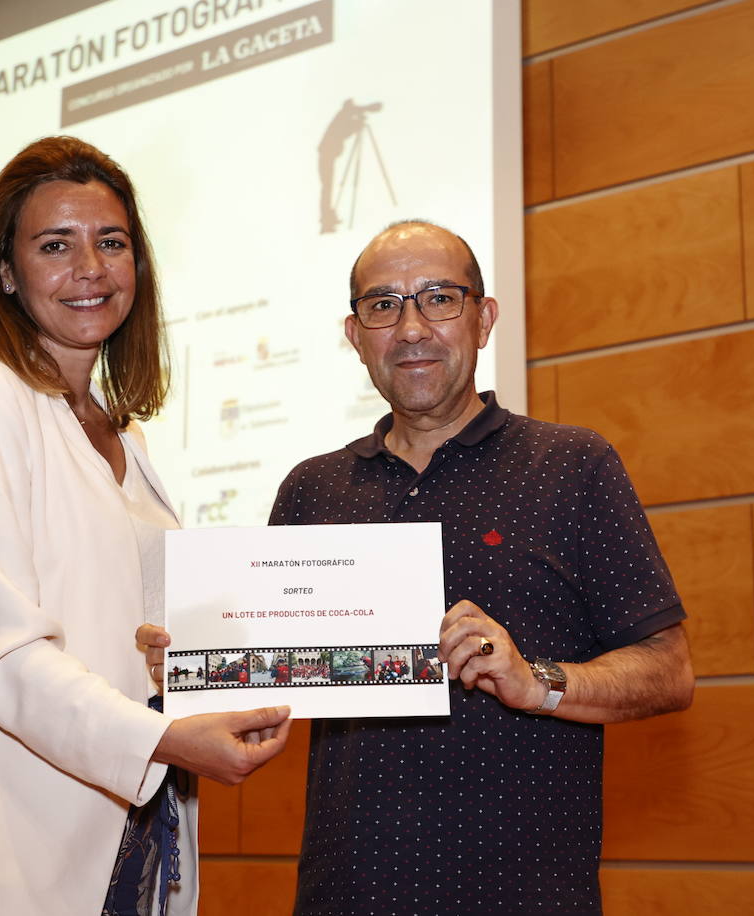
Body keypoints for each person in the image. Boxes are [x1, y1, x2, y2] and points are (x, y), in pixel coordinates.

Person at [142, 221, 694, 913]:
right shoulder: (313, 489)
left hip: (525, 896)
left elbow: (669, 669)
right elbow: (267, 695)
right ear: (355, 336)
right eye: (383, 305)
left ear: (484, 319)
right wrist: (194, 670)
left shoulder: (571, 467)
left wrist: (538, 683)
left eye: (439, 298)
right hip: (344, 895)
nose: (410, 328)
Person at [0, 136, 291, 916]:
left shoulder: (127, 437)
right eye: (55, 245)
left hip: (132, 831)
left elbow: (141, 640)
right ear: (6, 272)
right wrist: (162, 740)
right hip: (2, 845)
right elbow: (1, 651)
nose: (90, 268)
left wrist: (230, 671)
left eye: (112, 242)